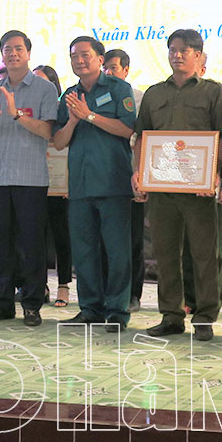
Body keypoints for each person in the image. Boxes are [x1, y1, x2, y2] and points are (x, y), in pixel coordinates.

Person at [132, 29, 222, 342]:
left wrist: (216, 174)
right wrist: (137, 173)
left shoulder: (213, 92)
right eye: (173, 50)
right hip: (161, 188)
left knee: (205, 254)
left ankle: (204, 316)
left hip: (199, 190)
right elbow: (142, 138)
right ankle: (171, 315)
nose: (177, 55)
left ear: (199, 56)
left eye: (185, 50)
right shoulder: (153, 94)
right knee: (165, 253)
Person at [54, 36, 137, 329]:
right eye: (74, 55)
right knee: (84, 251)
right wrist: (74, 120)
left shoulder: (118, 89)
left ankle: (117, 311)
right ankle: (90, 308)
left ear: (100, 59)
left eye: (86, 55)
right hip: (80, 185)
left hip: (113, 182)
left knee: (116, 252)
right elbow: (59, 141)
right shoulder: (68, 95)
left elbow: (128, 128)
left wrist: (89, 115)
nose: (80, 60)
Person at [0, 31, 58, 327]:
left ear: (28, 53)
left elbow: (49, 132)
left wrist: (15, 115)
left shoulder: (44, 89)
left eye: (18, 49)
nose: (12, 53)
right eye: (7, 49)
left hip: (31, 178)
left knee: (32, 243)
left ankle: (32, 303)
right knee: (1, 243)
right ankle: (3, 302)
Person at [104, 48, 145, 312]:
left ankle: (133, 294)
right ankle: (108, 292)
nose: (108, 73)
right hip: (103, 177)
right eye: (105, 68)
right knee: (104, 240)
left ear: (127, 70)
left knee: (132, 239)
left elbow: (144, 139)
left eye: (114, 68)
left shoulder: (140, 98)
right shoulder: (94, 96)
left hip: (132, 177)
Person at [34, 65, 72, 309]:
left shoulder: (63, 109)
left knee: (61, 234)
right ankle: (39, 285)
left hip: (61, 181)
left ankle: (63, 285)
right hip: (33, 177)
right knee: (35, 235)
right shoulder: (27, 109)